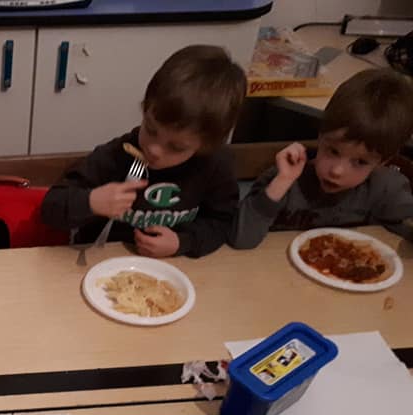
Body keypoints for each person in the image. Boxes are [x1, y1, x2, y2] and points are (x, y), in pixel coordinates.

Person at [40, 45, 246, 259]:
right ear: (145, 108)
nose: (154, 150)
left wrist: (183, 242)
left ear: (206, 145)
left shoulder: (215, 165)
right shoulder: (116, 156)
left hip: (174, 265)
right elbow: (51, 207)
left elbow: (222, 222)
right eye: (151, 129)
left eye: (176, 147)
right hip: (99, 259)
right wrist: (91, 202)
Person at [233, 68, 413, 250]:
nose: (337, 171)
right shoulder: (284, 179)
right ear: (320, 135)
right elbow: (242, 239)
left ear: (382, 162)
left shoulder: (385, 189)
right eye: (333, 151)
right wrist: (281, 182)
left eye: (360, 162)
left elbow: (404, 226)